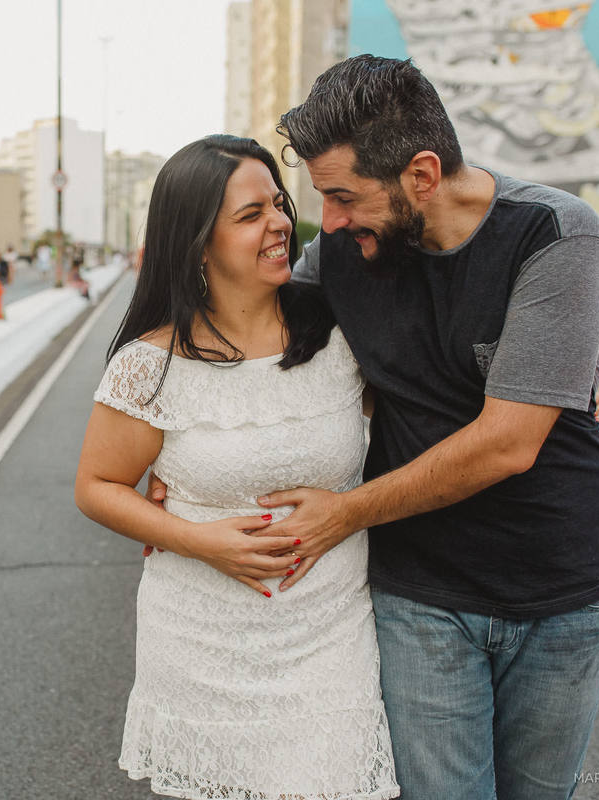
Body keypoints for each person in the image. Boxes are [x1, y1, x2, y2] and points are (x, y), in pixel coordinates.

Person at [251, 55, 599, 800]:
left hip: (562, 595)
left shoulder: (555, 233)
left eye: (345, 197)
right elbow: (243, 331)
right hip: (421, 594)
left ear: (421, 174)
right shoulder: (346, 254)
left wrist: (341, 515)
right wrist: (171, 445)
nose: (331, 221)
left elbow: (509, 443)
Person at [75, 135, 399, 800]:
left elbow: (428, 400)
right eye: (251, 215)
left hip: (332, 638)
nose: (280, 222)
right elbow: (97, 487)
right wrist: (200, 540)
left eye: (278, 204)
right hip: (201, 645)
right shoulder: (151, 364)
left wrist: (567, 390)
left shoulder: (338, 338)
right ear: (197, 241)